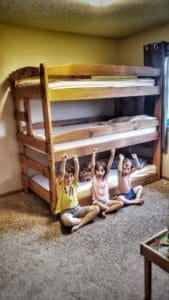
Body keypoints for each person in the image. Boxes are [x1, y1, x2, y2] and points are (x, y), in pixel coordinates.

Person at [54, 153, 100, 233]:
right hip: (65, 212)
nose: (69, 178)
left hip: (77, 208)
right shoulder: (61, 186)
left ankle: (79, 224)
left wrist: (76, 161)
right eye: (67, 177)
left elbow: (77, 171)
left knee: (96, 209)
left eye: (71, 176)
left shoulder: (74, 183)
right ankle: (86, 220)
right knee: (68, 221)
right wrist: (64, 161)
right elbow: (62, 173)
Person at [91, 148, 123, 218]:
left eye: (102, 171)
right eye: (98, 170)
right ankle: (104, 209)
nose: (100, 172)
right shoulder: (94, 178)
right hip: (97, 202)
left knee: (121, 203)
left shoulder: (105, 178)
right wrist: (93, 154)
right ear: (95, 171)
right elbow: (93, 165)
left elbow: (109, 166)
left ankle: (104, 211)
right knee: (96, 203)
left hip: (106, 201)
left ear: (105, 172)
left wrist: (112, 154)